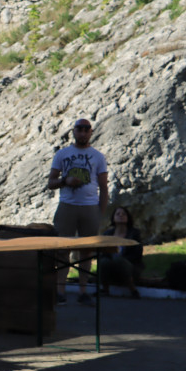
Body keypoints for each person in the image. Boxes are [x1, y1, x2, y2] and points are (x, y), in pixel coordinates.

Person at [47, 118, 109, 306]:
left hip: (90, 207)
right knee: (62, 249)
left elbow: (104, 187)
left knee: (87, 250)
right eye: (79, 129)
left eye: (86, 129)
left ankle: (83, 291)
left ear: (91, 132)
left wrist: (101, 212)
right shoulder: (62, 154)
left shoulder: (98, 157)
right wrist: (65, 181)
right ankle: (60, 290)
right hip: (67, 205)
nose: (82, 133)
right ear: (73, 132)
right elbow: (50, 183)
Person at [99, 205, 144, 298]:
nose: (121, 215)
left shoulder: (134, 233)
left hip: (130, 266)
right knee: (103, 262)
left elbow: (137, 254)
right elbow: (103, 252)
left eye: (124, 214)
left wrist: (120, 260)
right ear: (113, 218)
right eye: (118, 214)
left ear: (128, 218)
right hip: (111, 264)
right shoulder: (107, 234)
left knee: (118, 260)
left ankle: (133, 290)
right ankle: (105, 290)